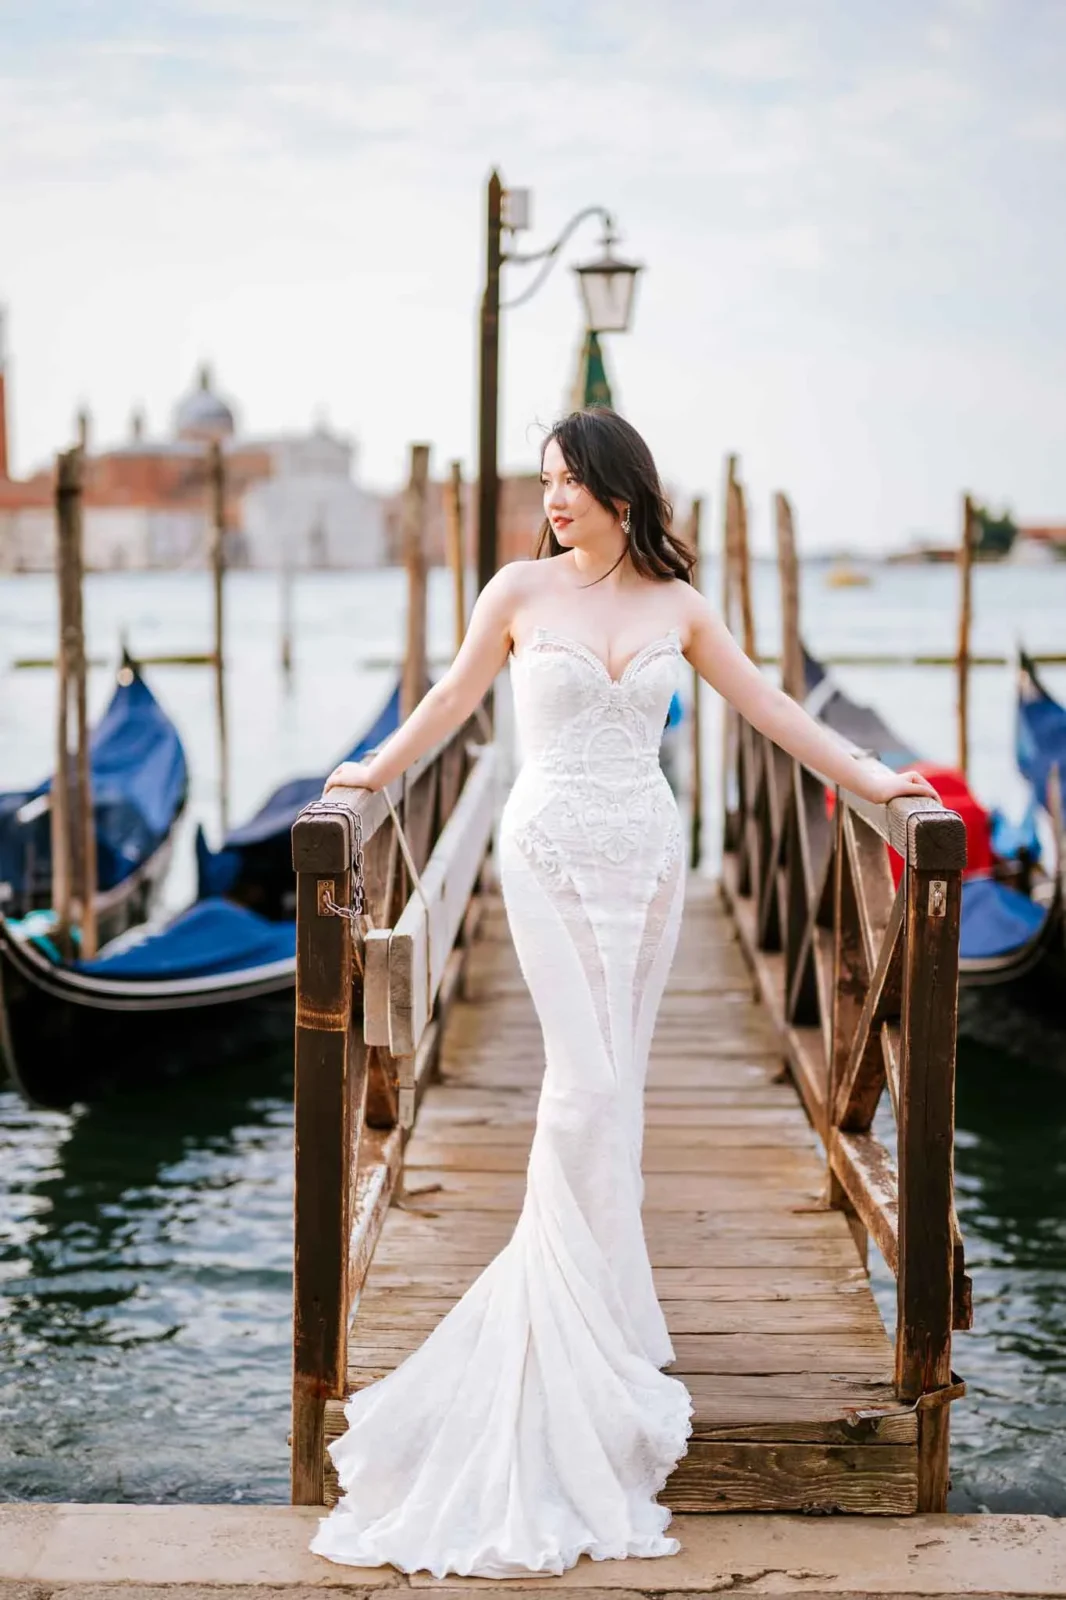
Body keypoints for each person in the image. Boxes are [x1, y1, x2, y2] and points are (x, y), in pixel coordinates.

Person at [309, 408, 938, 1581]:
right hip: (544, 852)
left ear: (621, 490)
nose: (553, 500)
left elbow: (776, 714)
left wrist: (870, 776)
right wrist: (367, 773)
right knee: (580, 1087)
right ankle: (556, 1332)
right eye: (545, 483)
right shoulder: (514, 591)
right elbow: (448, 704)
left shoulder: (680, 609)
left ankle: (616, 1315)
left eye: (569, 483)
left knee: (622, 1090)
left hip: (646, 863)